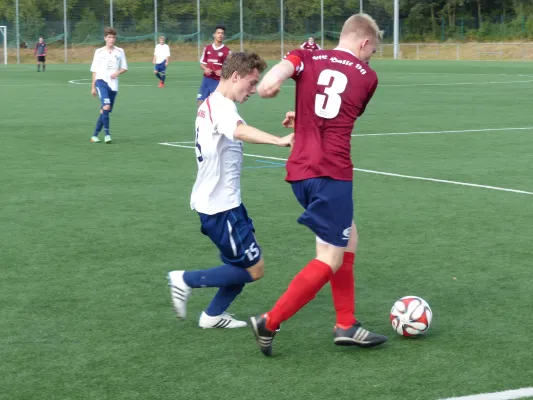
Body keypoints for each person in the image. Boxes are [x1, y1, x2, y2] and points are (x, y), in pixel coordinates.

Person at [250, 13, 388, 356]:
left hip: (300, 170)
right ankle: (270, 320)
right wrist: (309, 115)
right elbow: (342, 113)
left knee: (348, 236)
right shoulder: (368, 77)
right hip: (332, 172)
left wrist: (282, 96)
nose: (370, 58)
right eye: (372, 51)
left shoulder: (307, 54)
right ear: (364, 42)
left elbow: (272, 81)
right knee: (330, 257)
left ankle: (346, 324)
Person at [167, 52, 294, 329]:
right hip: (220, 208)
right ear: (235, 76)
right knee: (254, 269)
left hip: (225, 204)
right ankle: (185, 280)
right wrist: (278, 141)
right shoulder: (222, 108)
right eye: (251, 83)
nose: (252, 90)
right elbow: (239, 131)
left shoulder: (215, 104)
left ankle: (213, 316)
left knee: (245, 261)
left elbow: (238, 128)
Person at [89, 27, 128, 144]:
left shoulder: (120, 51)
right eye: (109, 37)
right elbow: (94, 70)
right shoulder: (99, 52)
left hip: (113, 85)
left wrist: (117, 72)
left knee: (105, 110)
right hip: (101, 82)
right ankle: (107, 134)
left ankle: (94, 135)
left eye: (113, 37)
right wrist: (93, 87)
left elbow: (125, 67)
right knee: (106, 105)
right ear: (105, 38)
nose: (111, 39)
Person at [197, 25, 230, 107]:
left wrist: (222, 71)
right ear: (214, 34)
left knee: (215, 105)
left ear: (224, 36)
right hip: (206, 80)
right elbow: (202, 63)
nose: (220, 35)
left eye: (222, 33)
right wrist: (205, 69)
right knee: (200, 102)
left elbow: (231, 67)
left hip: (218, 81)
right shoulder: (207, 48)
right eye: (218, 33)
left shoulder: (227, 51)